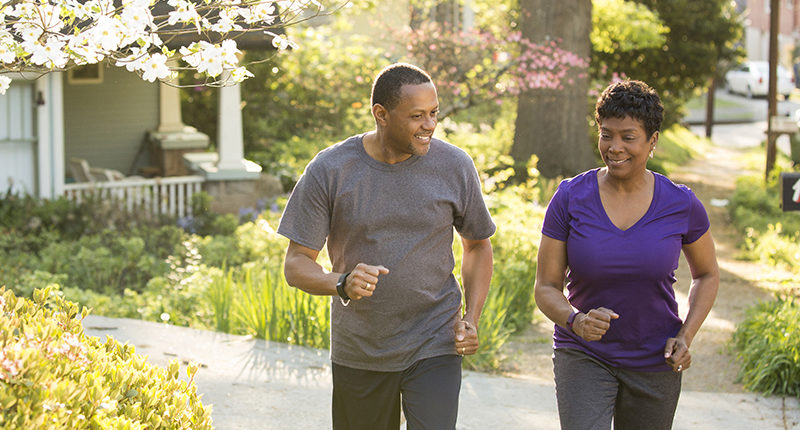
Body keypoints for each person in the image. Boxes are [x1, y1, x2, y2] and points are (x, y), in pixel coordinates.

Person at [277, 63, 495, 430]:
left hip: (434, 340)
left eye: (433, 113)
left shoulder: (454, 165)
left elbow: (477, 246)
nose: (429, 125)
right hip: (361, 350)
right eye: (416, 116)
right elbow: (296, 263)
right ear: (381, 114)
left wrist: (470, 319)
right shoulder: (331, 169)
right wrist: (342, 282)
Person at [534, 79, 720, 430]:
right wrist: (576, 320)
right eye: (607, 134)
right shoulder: (570, 198)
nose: (614, 147)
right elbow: (545, 286)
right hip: (584, 353)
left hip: (654, 358)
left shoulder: (681, 204)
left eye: (628, 137)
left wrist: (687, 335)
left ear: (652, 142)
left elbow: (708, 274)